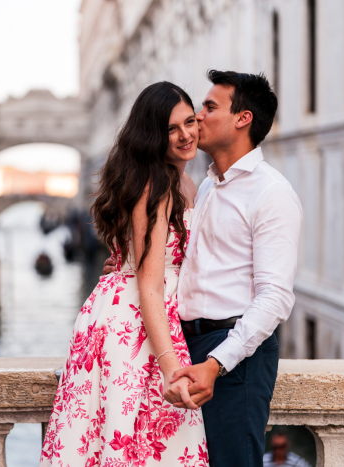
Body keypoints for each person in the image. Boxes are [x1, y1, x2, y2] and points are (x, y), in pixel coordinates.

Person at [104, 70, 303, 467]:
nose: (199, 116)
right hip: (182, 345)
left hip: (231, 354)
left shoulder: (271, 193)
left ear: (242, 119)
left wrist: (216, 364)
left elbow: (276, 298)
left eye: (210, 107)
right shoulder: (206, 185)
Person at [40, 82, 209, 466]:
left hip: (121, 311)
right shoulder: (161, 185)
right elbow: (149, 281)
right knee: (147, 442)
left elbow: (142, 262)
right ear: (153, 135)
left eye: (189, 122)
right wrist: (170, 368)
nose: (185, 135)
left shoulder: (179, 182)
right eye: (171, 129)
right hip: (138, 324)